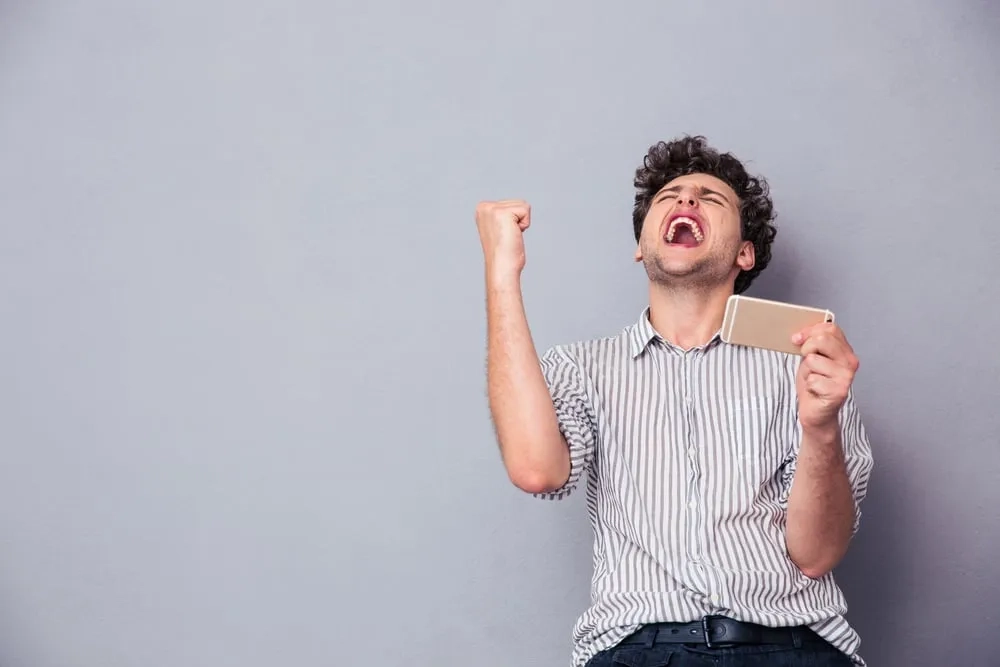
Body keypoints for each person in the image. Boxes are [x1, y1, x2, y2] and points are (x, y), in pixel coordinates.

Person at [475, 135, 875, 667]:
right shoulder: (581, 368)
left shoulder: (807, 369)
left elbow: (816, 554)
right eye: (669, 196)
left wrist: (820, 426)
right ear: (642, 245)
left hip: (791, 645)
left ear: (744, 252)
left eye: (711, 198)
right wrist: (502, 271)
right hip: (639, 651)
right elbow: (535, 470)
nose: (686, 200)